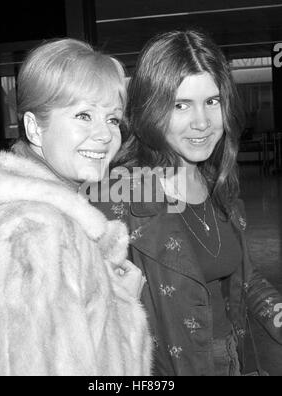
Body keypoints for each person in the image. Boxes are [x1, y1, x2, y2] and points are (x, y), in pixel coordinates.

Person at [94, 29, 282, 376]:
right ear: (151, 109)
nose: (202, 122)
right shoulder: (122, 195)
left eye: (212, 101)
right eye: (181, 105)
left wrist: (275, 309)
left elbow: (242, 274)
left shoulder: (217, 181)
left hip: (230, 356)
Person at [0, 38, 152, 376]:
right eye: (84, 115)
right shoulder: (35, 232)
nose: (105, 135)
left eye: (113, 119)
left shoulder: (29, 214)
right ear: (34, 127)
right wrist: (119, 304)